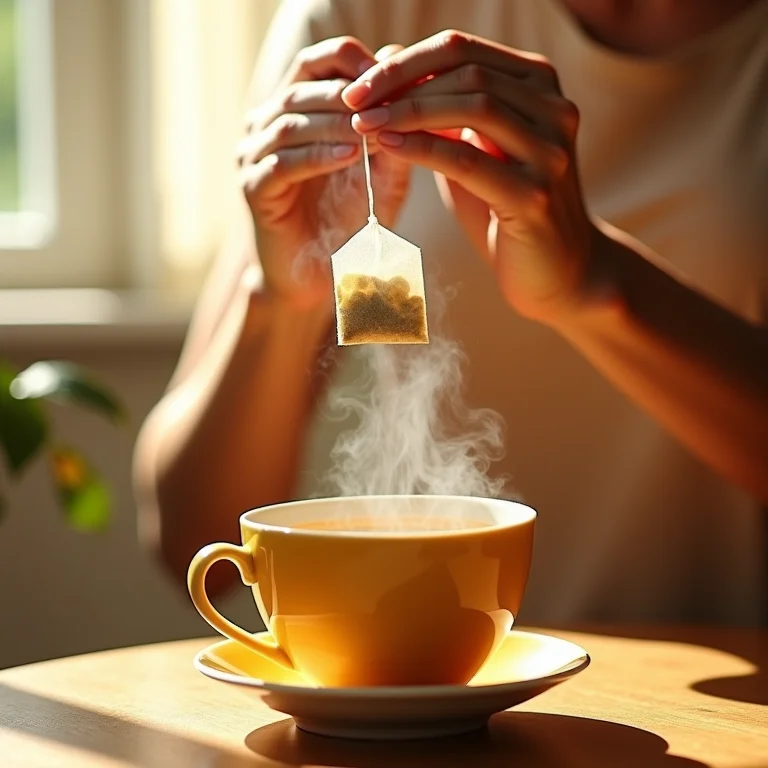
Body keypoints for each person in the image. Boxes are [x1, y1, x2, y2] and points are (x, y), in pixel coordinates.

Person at [133, 0, 768, 626]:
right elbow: (196, 543)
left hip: (736, 713)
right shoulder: (369, 17)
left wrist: (592, 285)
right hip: (441, 686)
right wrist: (283, 300)